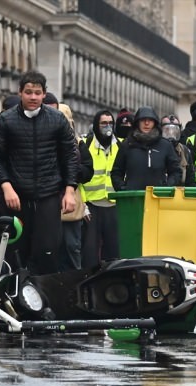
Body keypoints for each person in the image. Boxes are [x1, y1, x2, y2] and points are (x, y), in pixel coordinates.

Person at [0, 70, 79, 275]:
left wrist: (69, 190)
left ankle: (44, 299)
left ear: (44, 94)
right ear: (20, 92)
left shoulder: (57, 120)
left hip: (48, 196)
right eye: (28, 92)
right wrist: (6, 186)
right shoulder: (5, 121)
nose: (33, 97)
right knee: (14, 254)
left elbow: (69, 157)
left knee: (48, 252)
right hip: (16, 197)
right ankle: (13, 299)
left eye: (37, 93)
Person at [57, 103, 93, 271]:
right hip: (47, 201)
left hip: (72, 206)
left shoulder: (78, 143)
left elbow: (88, 171)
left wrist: (71, 172)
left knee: (72, 246)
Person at [81, 110, 120, 268]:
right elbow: (79, 177)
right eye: (103, 123)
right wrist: (82, 204)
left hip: (114, 205)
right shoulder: (86, 144)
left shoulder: (120, 146)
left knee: (113, 251)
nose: (107, 127)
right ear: (96, 125)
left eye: (110, 123)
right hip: (91, 206)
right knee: (89, 252)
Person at [110, 107, 182, 191]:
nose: (146, 123)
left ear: (155, 123)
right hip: (133, 198)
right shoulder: (127, 145)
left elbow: (176, 171)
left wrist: (166, 188)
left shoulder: (165, 145)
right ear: (137, 122)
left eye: (150, 120)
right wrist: (123, 189)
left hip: (158, 198)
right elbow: (116, 172)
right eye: (143, 120)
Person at [162, 114, 196, 187]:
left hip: (180, 195)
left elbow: (191, 181)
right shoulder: (154, 150)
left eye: (175, 131)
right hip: (158, 194)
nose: (171, 135)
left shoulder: (185, 151)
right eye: (167, 130)